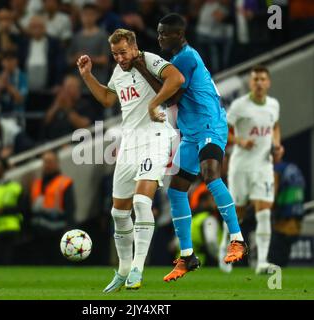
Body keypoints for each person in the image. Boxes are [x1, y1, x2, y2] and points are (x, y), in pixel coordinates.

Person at [133, 13, 247, 282]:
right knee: (176, 191)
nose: (160, 37)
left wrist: (141, 68)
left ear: (179, 35)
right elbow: (168, 95)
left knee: (210, 175)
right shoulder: (177, 60)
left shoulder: (185, 57)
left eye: (165, 33)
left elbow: (171, 95)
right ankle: (187, 256)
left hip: (210, 124)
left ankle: (238, 239)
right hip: (191, 132)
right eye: (159, 32)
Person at [77, 28, 184, 291]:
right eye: (115, 54)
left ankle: (138, 267)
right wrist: (87, 76)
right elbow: (106, 98)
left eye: (123, 52)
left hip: (156, 136)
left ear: (134, 47)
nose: (120, 58)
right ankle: (124, 269)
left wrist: (154, 103)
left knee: (141, 201)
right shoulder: (118, 72)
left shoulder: (148, 60)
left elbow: (176, 79)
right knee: (118, 212)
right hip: (130, 143)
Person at [219, 65, 284, 274]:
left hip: (264, 166)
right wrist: (239, 139)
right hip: (241, 167)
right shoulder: (240, 106)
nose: (259, 83)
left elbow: (275, 126)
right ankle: (224, 247)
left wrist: (277, 145)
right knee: (236, 213)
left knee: (264, 212)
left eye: (262, 79)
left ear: (269, 82)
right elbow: (222, 129)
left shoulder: (273, 104)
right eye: (255, 79)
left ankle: (262, 262)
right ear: (250, 82)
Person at [27, 151, 75, 265]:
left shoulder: (64, 183)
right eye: (45, 162)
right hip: (37, 232)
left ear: (57, 163)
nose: (47, 165)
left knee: (57, 264)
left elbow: (70, 208)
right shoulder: (37, 183)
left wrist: (69, 230)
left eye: (50, 162)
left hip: (57, 231)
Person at [268, 151, 306, 267]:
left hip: (283, 221)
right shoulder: (293, 168)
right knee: (283, 259)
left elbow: (272, 196)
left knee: (274, 260)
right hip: (296, 218)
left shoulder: (276, 170)